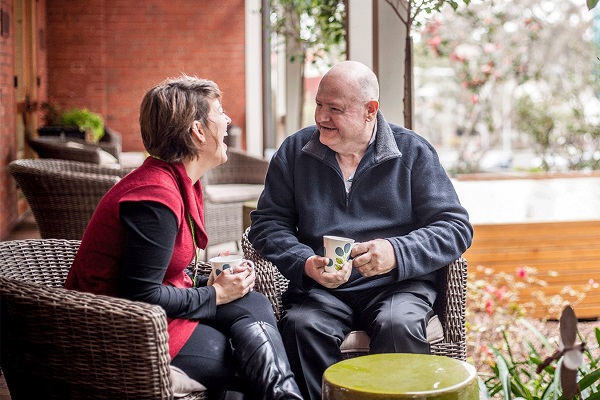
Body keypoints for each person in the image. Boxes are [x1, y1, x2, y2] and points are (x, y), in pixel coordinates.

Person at [65, 75, 303, 400]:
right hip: (119, 330)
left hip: (157, 315)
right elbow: (141, 295)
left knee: (253, 302)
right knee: (242, 359)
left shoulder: (179, 181)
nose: (228, 120)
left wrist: (221, 284)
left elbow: (167, 272)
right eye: (220, 111)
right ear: (197, 131)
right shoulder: (155, 197)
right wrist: (215, 295)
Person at [248, 61, 473, 400]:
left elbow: (455, 228)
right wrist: (305, 262)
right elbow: (266, 224)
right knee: (301, 327)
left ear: (370, 111)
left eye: (334, 109)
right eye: (319, 105)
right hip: (323, 289)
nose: (321, 117)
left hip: (398, 285)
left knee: (398, 326)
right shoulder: (294, 153)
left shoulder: (412, 152)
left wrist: (397, 252)